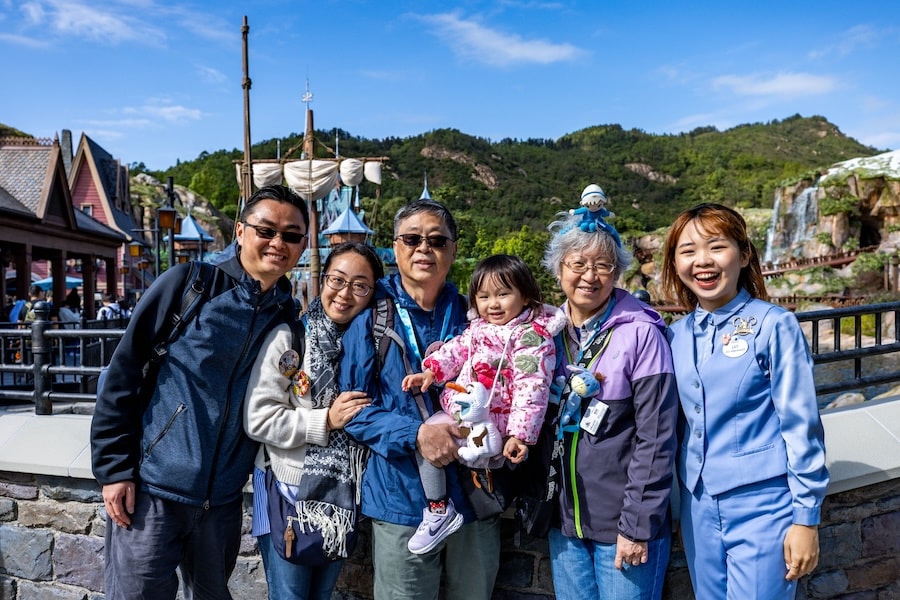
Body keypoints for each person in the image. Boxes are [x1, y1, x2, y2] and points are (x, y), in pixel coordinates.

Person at [90, 185, 310, 599]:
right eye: (266, 230)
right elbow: (124, 370)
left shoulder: (287, 318)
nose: (278, 243)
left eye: (292, 235)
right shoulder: (190, 285)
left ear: (303, 244)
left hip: (222, 501)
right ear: (241, 231)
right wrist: (114, 469)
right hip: (154, 490)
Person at [660, 203, 829, 599]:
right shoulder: (674, 335)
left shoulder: (774, 325)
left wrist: (806, 518)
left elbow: (801, 425)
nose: (702, 261)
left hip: (764, 504)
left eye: (716, 247)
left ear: (745, 253)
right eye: (687, 251)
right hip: (696, 505)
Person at [339, 199, 500, 600]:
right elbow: (353, 411)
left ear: (454, 250)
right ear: (395, 248)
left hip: (473, 493)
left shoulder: (473, 315)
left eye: (436, 240)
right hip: (402, 498)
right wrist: (417, 435)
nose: (423, 249)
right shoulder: (372, 319)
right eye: (412, 239)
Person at [540, 201, 678, 600]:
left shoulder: (642, 334)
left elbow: (657, 436)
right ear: (559, 268)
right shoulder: (546, 335)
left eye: (602, 265)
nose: (589, 276)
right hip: (564, 524)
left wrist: (636, 524)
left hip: (623, 525)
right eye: (578, 264)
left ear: (617, 272)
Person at [244, 242, 383, 600]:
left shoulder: (373, 347)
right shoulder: (291, 339)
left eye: (360, 286)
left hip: (343, 501)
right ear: (322, 280)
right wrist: (327, 421)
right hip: (288, 495)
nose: (345, 293)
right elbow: (258, 419)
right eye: (337, 280)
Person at [400, 253, 565, 554]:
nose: (494, 304)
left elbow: (533, 388)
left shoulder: (532, 336)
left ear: (525, 295)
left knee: (478, 454)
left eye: (503, 294)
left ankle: (461, 500)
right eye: (484, 296)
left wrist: (520, 435)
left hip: (496, 425)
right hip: (466, 413)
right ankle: (438, 509)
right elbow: (454, 351)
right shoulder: (477, 329)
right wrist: (430, 371)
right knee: (427, 440)